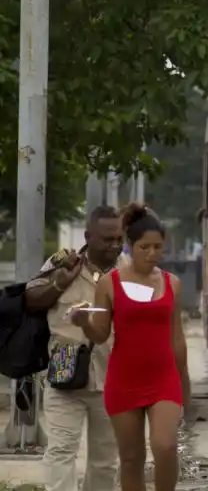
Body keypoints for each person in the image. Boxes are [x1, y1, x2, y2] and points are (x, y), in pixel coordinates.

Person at [71, 203, 190, 491]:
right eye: (144, 247)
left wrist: (184, 385)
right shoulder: (110, 284)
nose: (152, 254)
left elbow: (177, 338)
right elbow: (100, 334)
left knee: (165, 446)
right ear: (130, 246)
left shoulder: (171, 283)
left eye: (158, 247)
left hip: (163, 379)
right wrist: (83, 322)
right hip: (124, 380)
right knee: (130, 458)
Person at [24, 206, 126, 491]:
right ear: (88, 237)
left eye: (119, 239)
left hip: (112, 381)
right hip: (64, 377)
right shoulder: (63, 263)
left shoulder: (129, 271)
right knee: (60, 451)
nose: (114, 246)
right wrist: (59, 282)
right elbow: (30, 297)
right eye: (107, 239)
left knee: (105, 461)